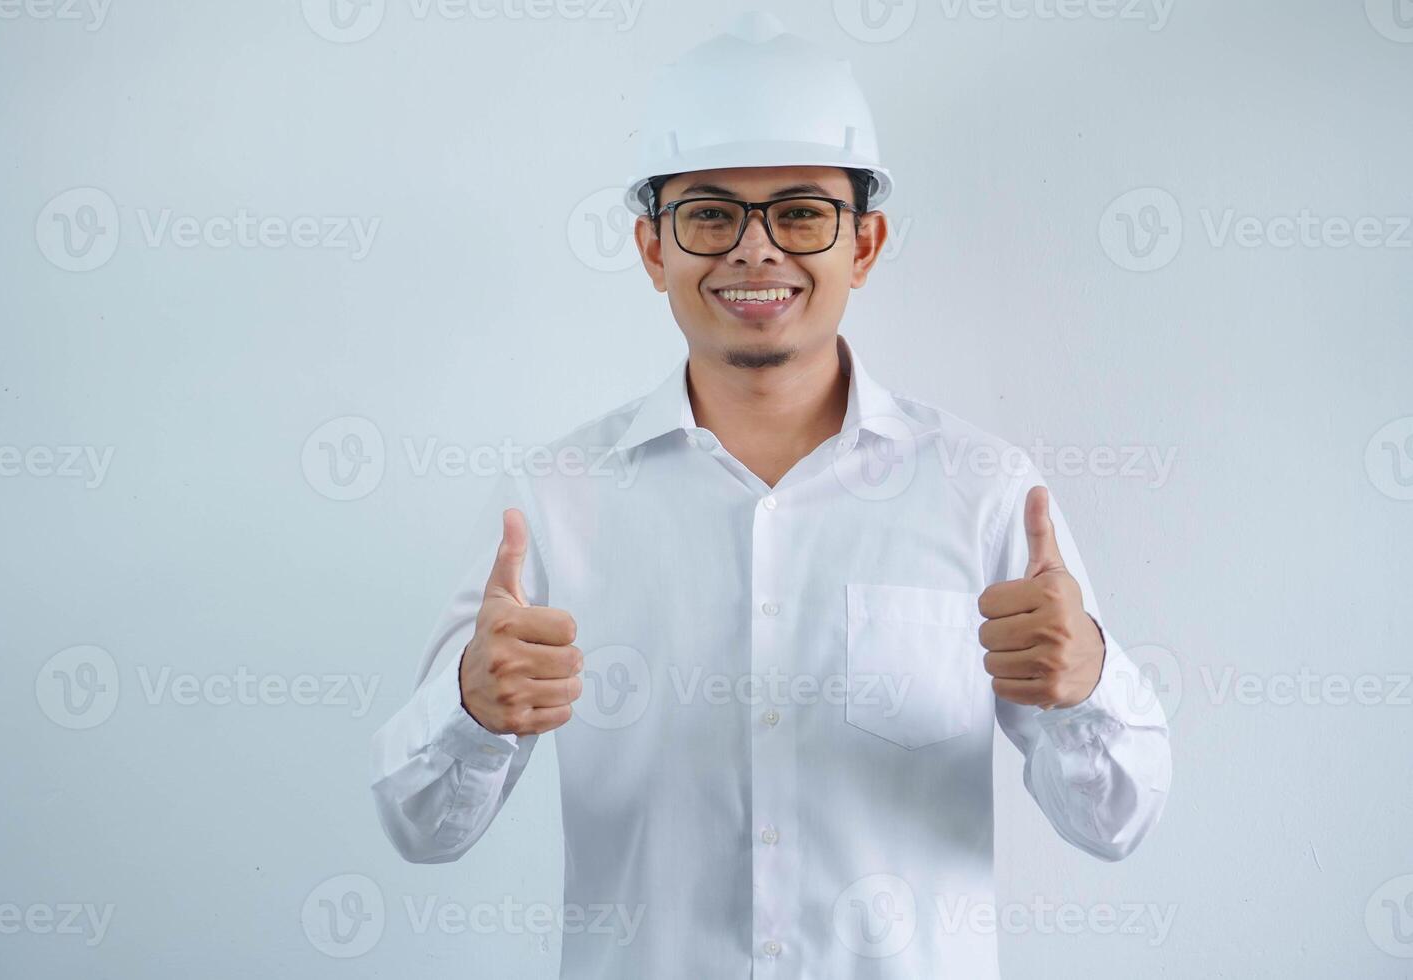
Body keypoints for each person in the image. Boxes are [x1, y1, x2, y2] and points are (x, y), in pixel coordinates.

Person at [370, 12, 1170, 978]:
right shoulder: (555, 500)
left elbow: (1117, 823)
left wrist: (1084, 687)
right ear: (652, 247)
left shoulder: (987, 493)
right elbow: (419, 828)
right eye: (710, 213)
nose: (756, 251)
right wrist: (471, 706)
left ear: (863, 245)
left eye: (800, 211)